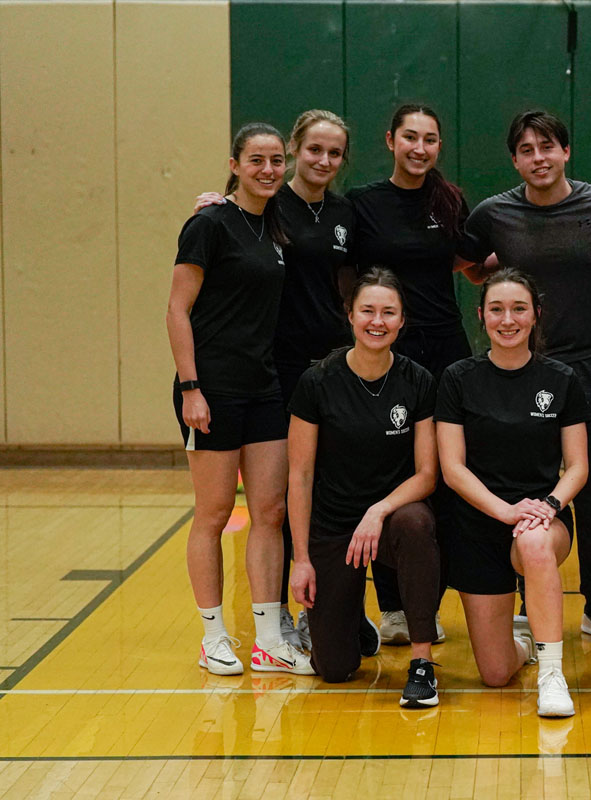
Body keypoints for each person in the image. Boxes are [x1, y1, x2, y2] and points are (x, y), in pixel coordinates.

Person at [192, 110, 375, 655]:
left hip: (335, 368)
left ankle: (336, 608)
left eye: (334, 152)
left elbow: (357, 279)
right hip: (274, 369)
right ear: (296, 150)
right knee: (284, 498)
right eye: (312, 149)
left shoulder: (346, 212)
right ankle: (281, 619)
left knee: (330, 492)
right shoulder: (267, 206)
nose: (322, 160)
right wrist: (211, 205)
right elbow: (227, 230)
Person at [460, 110, 591, 642]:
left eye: (548, 147)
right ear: (514, 160)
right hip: (523, 367)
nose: (539, 158)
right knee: (522, 479)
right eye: (527, 150)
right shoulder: (494, 214)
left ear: (566, 152)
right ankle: (520, 598)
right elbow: (471, 267)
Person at [166, 122, 313, 676]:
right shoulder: (208, 224)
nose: (269, 170)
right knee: (215, 512)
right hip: (211, 388)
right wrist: (190, 387)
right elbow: (177, 309)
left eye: (277, 160)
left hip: (263, 386)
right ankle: (212, 636)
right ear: (234, 164)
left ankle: (269, 637)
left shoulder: (273, 225)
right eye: (257, 160)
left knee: (271, 511)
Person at [347, 103, 478, 645]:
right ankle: (393, 605)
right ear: (390, 140)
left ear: (438, 147)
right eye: (409, 137)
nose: (419, 148)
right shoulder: (362, 204)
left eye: (429, 139)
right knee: (389, 471)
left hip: (445, 348)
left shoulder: (450, 202)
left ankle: (435, 597)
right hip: (386, 351)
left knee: (449, 474)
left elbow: (472, 262)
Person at [436, 269, 590, 717]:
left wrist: (549, 505)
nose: (508, 320)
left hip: (544, 519)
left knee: (534, 542)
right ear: (481, 316)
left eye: (519, 309)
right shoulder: (458, 378)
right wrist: (504, 511)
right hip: (479, 524)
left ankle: (552, 675)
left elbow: (577, 465)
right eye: (497, 309)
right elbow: (452, 467)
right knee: (497, 672)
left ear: (536, 315)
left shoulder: (561, 378)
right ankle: (524, 643)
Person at [287, 268, 441, 706]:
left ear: (402, 320)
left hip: (392, 519)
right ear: (350, 315)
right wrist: (301, 559)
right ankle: (351, 616)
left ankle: (422, 664)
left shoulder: (418, 381)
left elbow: (427, 474)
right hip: (335, 525)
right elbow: (298, 476)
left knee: (416, 523)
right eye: (368, 311)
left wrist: (378, 510)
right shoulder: (317, 382)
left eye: (388, 312)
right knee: (334, 669)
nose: (378, 321)